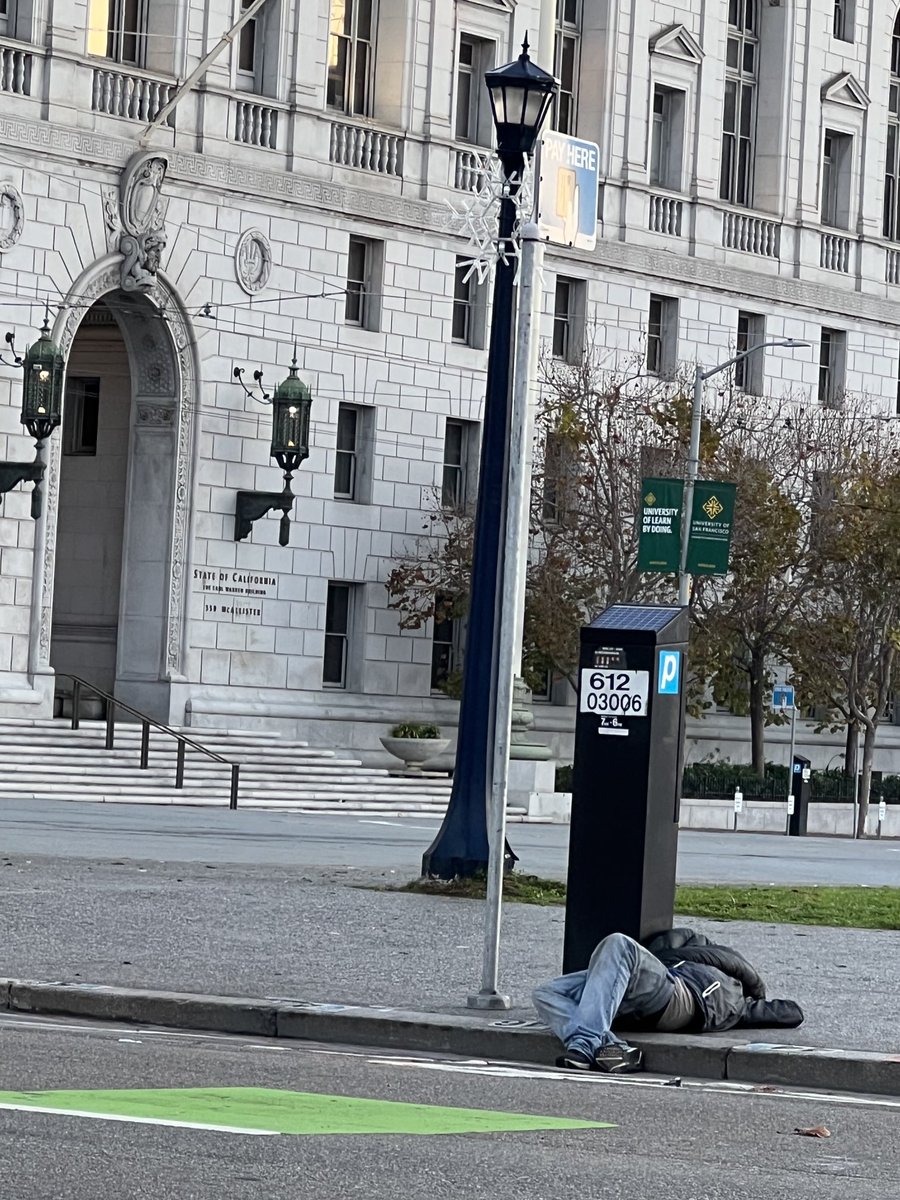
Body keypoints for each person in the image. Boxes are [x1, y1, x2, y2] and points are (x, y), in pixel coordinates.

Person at [532, 928, 804, 1073]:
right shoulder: (696, 957)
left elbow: (792, 1012)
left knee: (619, 943)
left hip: (677, 996)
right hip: (651, 989)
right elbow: (679, 938)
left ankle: (585, 1043)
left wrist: (756, 995)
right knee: (545, 993)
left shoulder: (737, 998)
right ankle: (612, 1046)